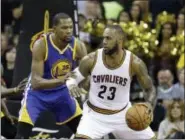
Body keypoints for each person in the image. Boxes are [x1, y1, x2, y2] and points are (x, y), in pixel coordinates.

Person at [66, 25, 156, 139]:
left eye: (108, 38)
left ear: (119, 40)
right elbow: (73, 76)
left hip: (123, 115)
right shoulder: (91, 59)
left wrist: (150, 103)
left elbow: (150, 88)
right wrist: (72, 84)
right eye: (103, 38)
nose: (104, 42)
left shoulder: (134, 63)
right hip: (94, 115)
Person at [15, 13, 87, 139]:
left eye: (70, 27)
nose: (69, 31)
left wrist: (80, 85)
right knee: (21, 136)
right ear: (54, 29)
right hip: (37, 94)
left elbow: (86, 72)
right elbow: (36, 82)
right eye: (64, 28)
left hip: (62, 93)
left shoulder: (78, 45)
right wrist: (62, 80)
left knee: (85, 134)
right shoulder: (41, 45)